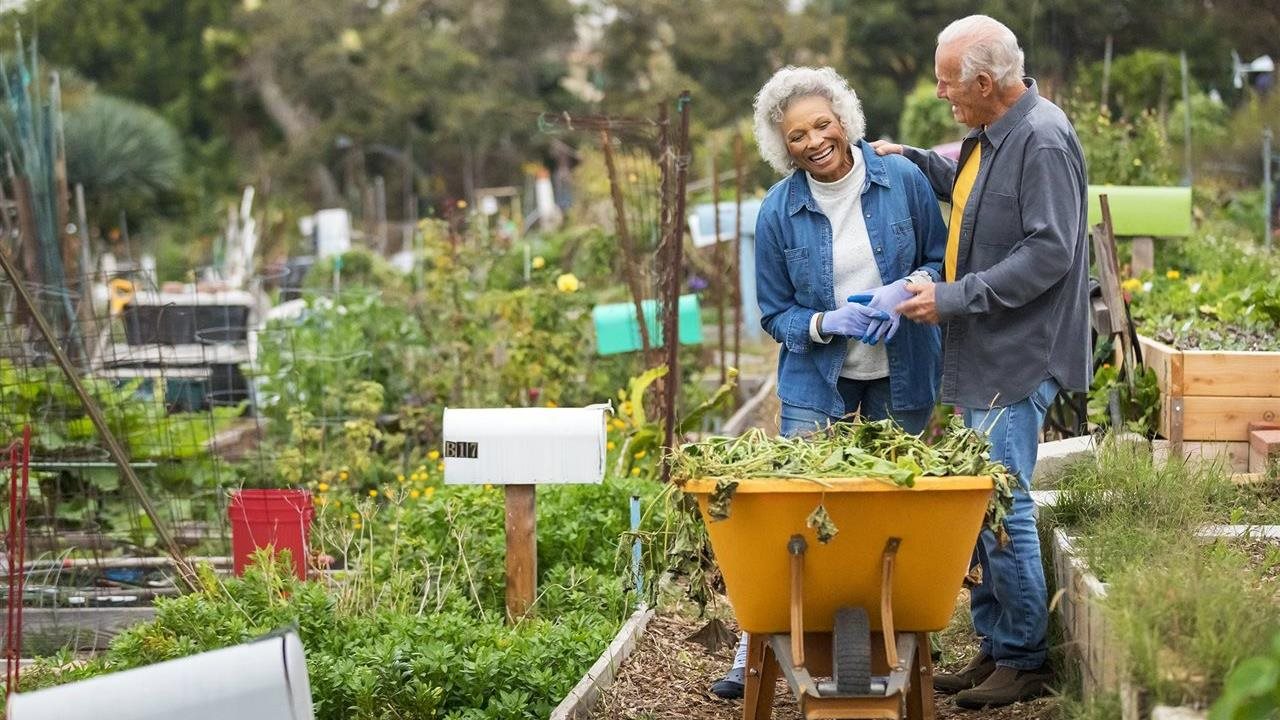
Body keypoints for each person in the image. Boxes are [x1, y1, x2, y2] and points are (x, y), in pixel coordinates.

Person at [872, 14, 1091, 709]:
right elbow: (972, 192)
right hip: (990, 349)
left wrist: (955, 296)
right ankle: (999, 647)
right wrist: (911, 157)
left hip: (1018, 352)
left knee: (1004, 500)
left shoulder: (1043, 140)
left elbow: (1050, 251)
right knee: (982, 497)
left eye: (947, 84)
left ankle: (1026, 658)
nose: (942, 95)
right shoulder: (993, 135)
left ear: (985, 82)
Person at [709, 65, 947, 700]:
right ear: (779, 145)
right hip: (818, 378)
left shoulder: (903, 180)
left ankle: (898, 634)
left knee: (896, 505)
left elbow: (938, 256)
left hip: (902, 369)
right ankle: (755, 641)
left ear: (845, 120)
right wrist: (824, 321)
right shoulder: (779, 211)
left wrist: (902, 294)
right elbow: (773, 313)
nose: (813, 141)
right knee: (790, 508)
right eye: (795, 136)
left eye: (822, 124)